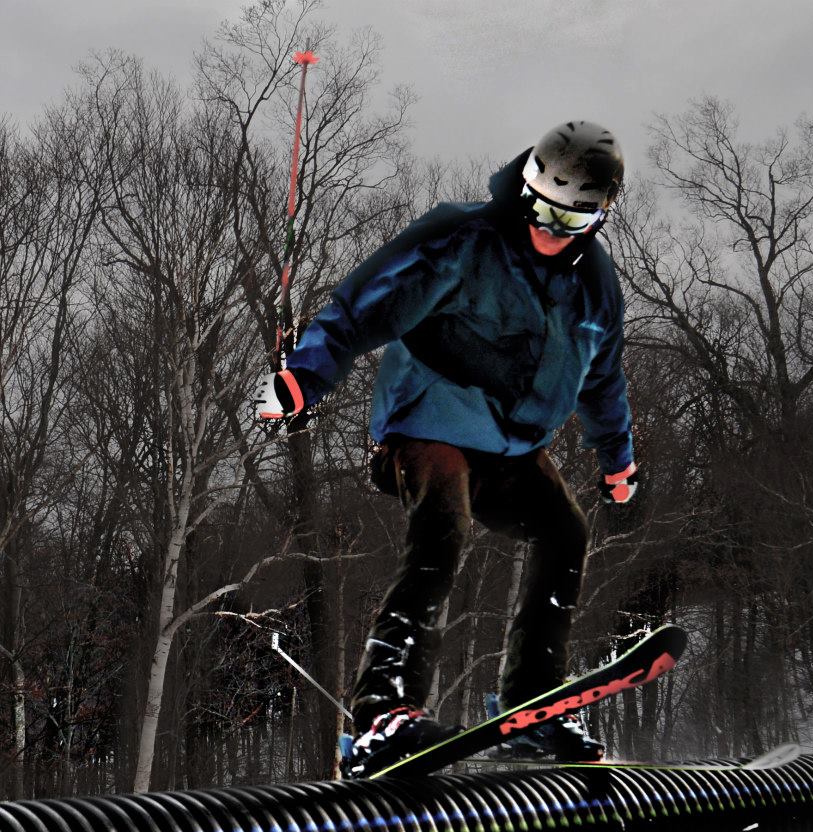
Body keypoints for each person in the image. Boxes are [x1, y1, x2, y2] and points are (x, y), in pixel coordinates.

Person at [257, 121, 637, 776]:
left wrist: (618, 461)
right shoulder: (463, 237)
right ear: (525, 189)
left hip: (512, 448)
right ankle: (384, 707)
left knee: (565, 530)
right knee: (445, 516)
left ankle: (534, 702)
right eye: (542, 210)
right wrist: (302, 378)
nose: (549, 231)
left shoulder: (596, 288)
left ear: (600, 217)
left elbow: (603, 381)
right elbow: (363, 304)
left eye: (570, 221)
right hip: (426, 421)